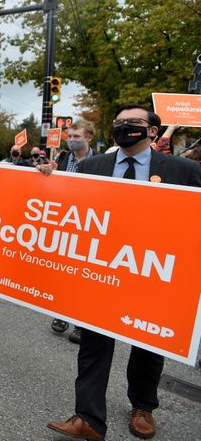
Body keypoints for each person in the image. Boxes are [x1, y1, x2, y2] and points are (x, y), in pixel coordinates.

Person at [47, 104, 201, 441]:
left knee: (147, 344)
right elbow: (67, 207)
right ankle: (88, 417)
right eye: (119, 122)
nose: (123, 126)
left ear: (152, 131)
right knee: (93, 344)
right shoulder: (91, 166)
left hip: (154, 273)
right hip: (102, 269)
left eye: (132, 122)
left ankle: (143, 406)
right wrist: (45, 178)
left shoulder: (185, 170)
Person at [38, 120, 97, 344]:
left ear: (88, 137)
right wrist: (46, 172)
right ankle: (62, 312)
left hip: (90, 223)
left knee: (86, 275)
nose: (71, 140)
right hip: (65, 221)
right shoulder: (62, 159)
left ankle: (82, 323)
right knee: (65, 272)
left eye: (76, 136)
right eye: (69, 136)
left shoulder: (101, 161)